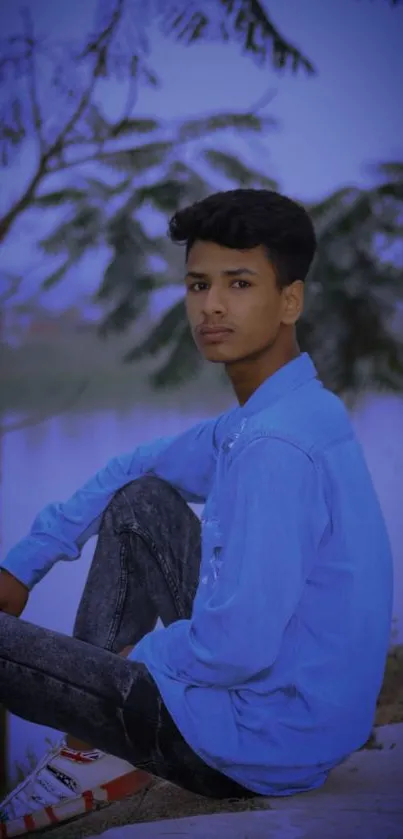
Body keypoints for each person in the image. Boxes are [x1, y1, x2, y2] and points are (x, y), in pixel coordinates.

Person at [0, 189, 393, 837]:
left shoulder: (276, 446)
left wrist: (142, 654)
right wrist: (23, 565)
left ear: (289, 300)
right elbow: (133, 466)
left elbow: (236, 644)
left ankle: (92, 749)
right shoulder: (275, 413)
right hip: (294, 718)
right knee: (141, 500)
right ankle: (89, 753)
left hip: (255, 745)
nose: (211, 304)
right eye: (198, 283)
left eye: (239, 284)